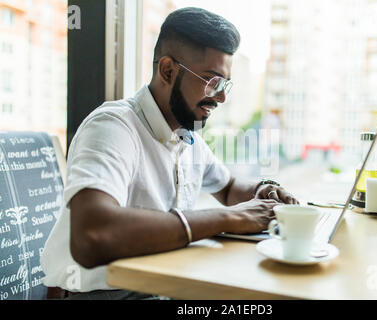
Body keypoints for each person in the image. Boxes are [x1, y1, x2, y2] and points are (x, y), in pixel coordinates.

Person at [41, 7, 299, 300]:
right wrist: (228, 218)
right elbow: (92, 236)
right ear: (168, 70)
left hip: (161, 285)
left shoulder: (187, 135)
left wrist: (265, 190)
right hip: (109, 292)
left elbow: (227, 189)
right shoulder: (113, 127)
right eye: (213, 81)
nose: (222, 97)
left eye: (226, 84)